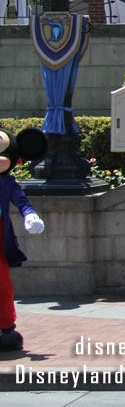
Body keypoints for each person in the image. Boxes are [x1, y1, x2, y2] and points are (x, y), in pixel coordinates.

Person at [0, 127, 47, 352]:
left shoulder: (7, 183)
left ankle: (5, 326)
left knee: (2, 283)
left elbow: (22, 201)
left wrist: (30, 215)